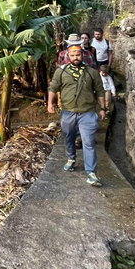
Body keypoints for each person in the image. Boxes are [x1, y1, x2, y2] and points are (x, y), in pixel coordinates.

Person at [48, 45, 107, 187]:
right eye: (73, 55)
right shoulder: (61, 72)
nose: (76, 57)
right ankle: (71, 158)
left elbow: (100, 91)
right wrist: (50, 103)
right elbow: (53, 88)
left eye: (78, 55)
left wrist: (103, 108)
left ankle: (91, 172)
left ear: (82, 55)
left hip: (87, 112)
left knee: (89, 141)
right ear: (68, 56)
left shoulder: (92, 72)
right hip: (68, 111)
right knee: (69, 137)